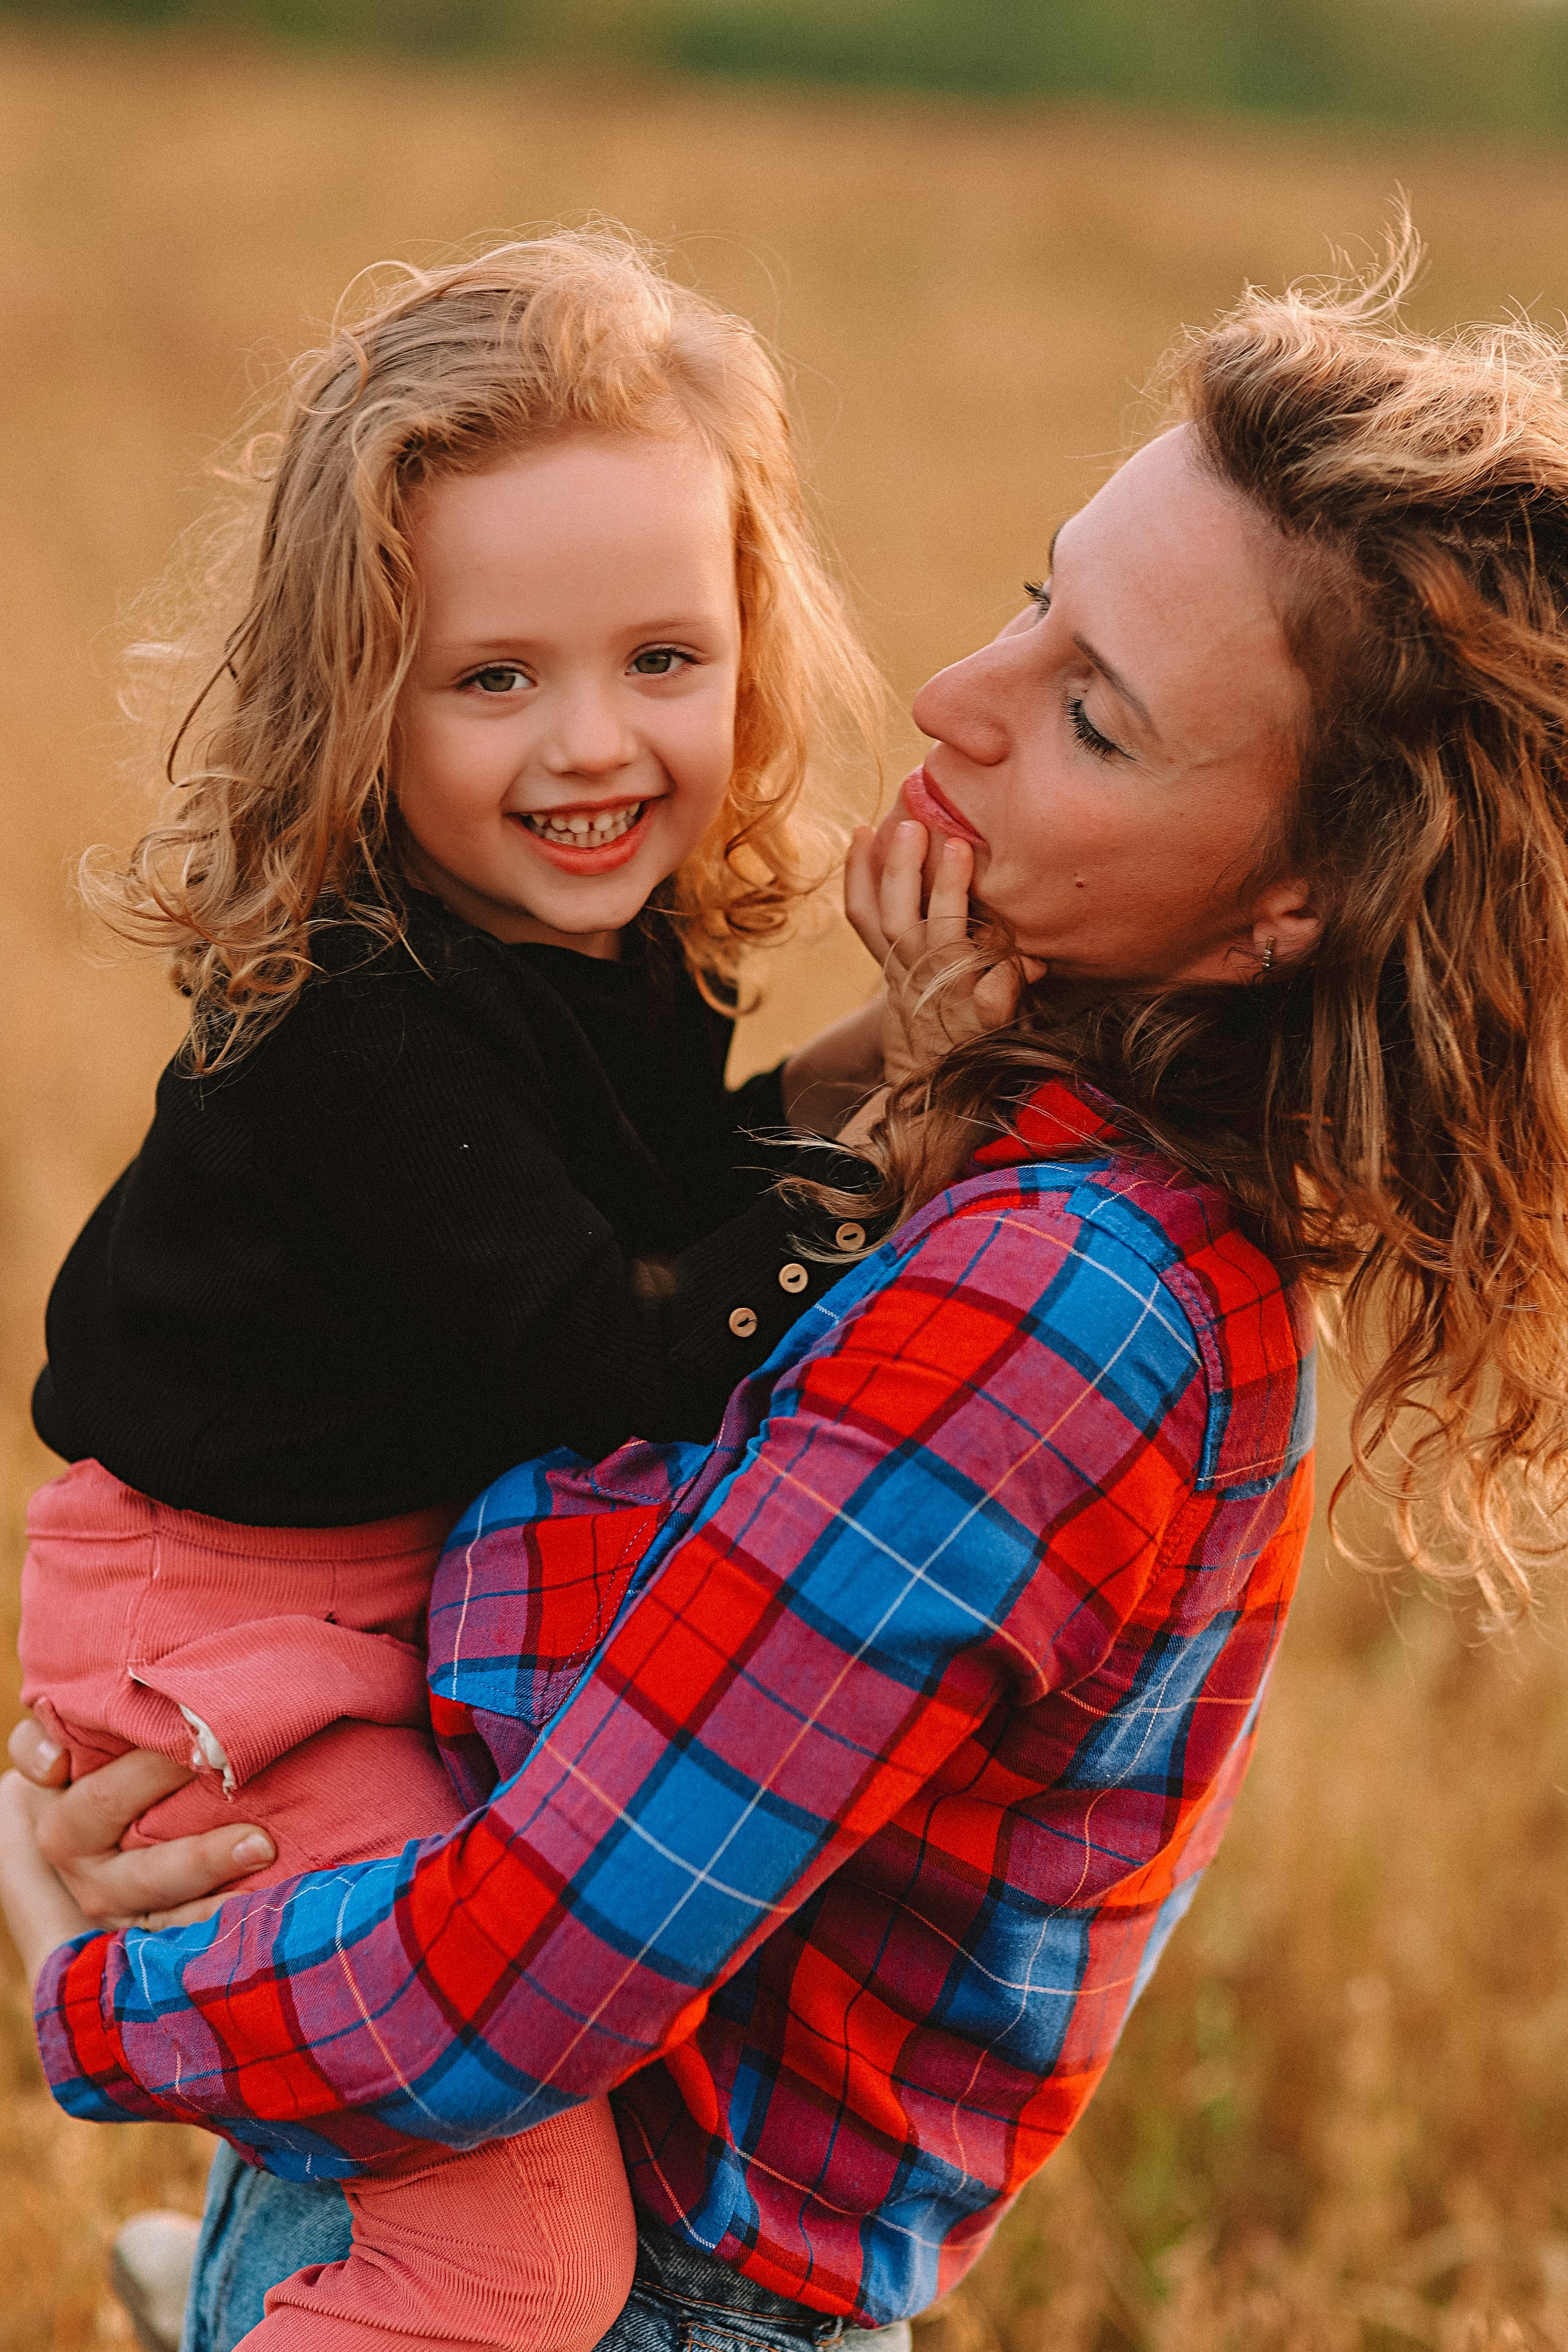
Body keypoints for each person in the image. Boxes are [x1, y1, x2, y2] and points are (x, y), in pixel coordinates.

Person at [12, 249, 1568, 2352]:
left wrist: (61, 1988)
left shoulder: (1064, 1314)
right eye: (1036, 595)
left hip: (613, 2265)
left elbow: (517, 1980)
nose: (954, 696)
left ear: (1301, 904)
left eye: (1093, 707)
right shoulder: (1009, 1149)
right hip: (381, 2036)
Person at [10, 230, 888, 2352]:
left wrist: (912, 1050)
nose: (594, 746)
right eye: (496, 678)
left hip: (367, 1586)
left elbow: (675, 1207)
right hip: (234, 1638)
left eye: (664, 658)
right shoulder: (357, 1024)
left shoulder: (604, 941)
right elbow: (625, 1346)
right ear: (355, 693)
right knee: (524, 2253)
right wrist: (875, 1164)